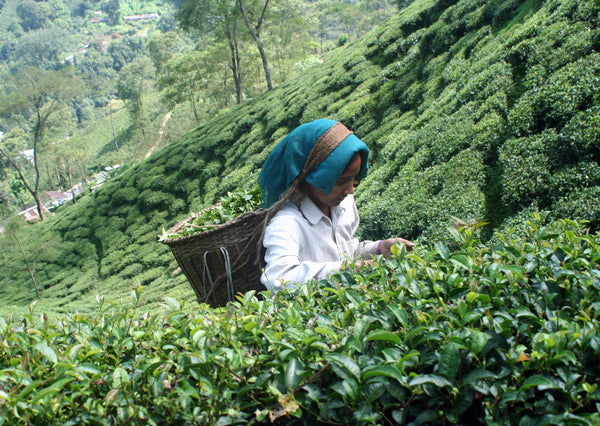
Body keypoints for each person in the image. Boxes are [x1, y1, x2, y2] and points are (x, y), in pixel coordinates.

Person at [258, 119, 413, 292]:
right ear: (312, 177)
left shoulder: (344, 204)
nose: (350, 190)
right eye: (341, 181)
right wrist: (340, 270)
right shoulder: (286, 225)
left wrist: (378, 249)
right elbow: (279, 280)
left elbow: (346, 252)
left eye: (354, 179)